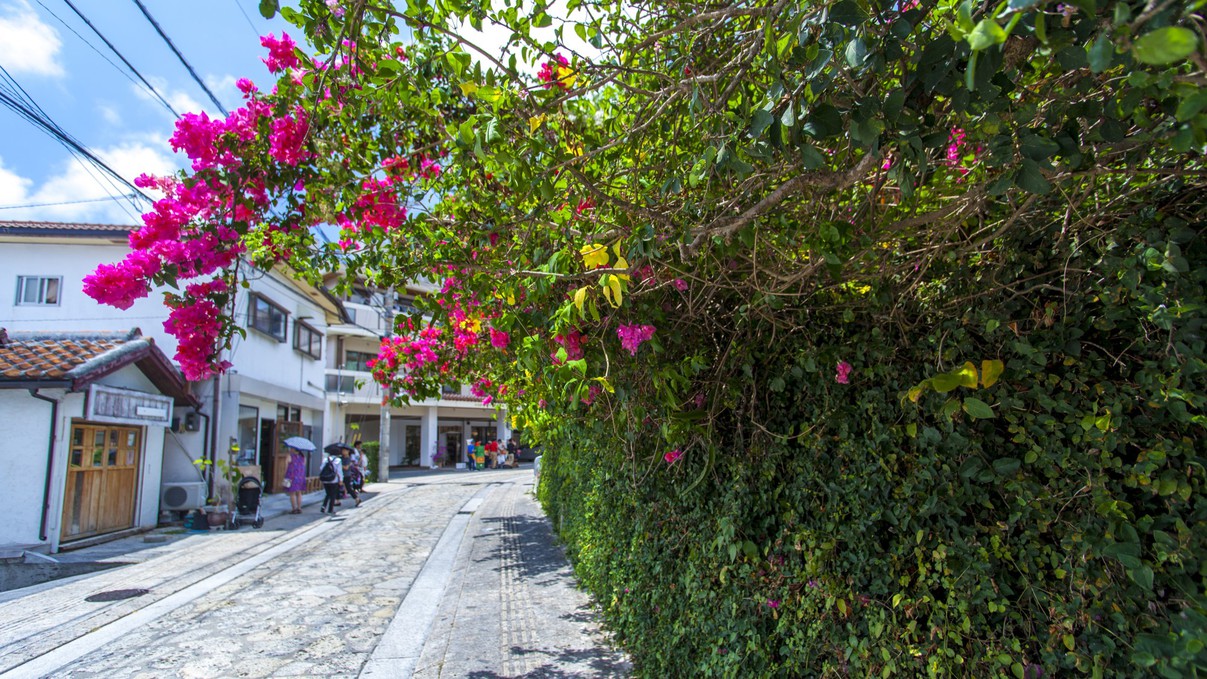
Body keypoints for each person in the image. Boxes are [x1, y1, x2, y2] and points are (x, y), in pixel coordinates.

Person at [284, 446, 306, 514]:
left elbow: (286, 467)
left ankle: (294, 509)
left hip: (291, 476)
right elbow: (303, 466)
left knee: (292, 493)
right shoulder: (303, 457)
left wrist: (284, 476)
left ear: (293, 449)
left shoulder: (289, 456)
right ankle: (299, 508)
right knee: (299, 493)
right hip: (300, 477)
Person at [319, 449, 342, 515]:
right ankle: (330, 509)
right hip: (333, 479)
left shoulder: (325, 459)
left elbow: (321, 468)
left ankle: (323, 507)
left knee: (328, 494)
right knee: (333, 494)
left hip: (325, 479)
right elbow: (339, 471)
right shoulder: (338, 460)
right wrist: (341, 480)